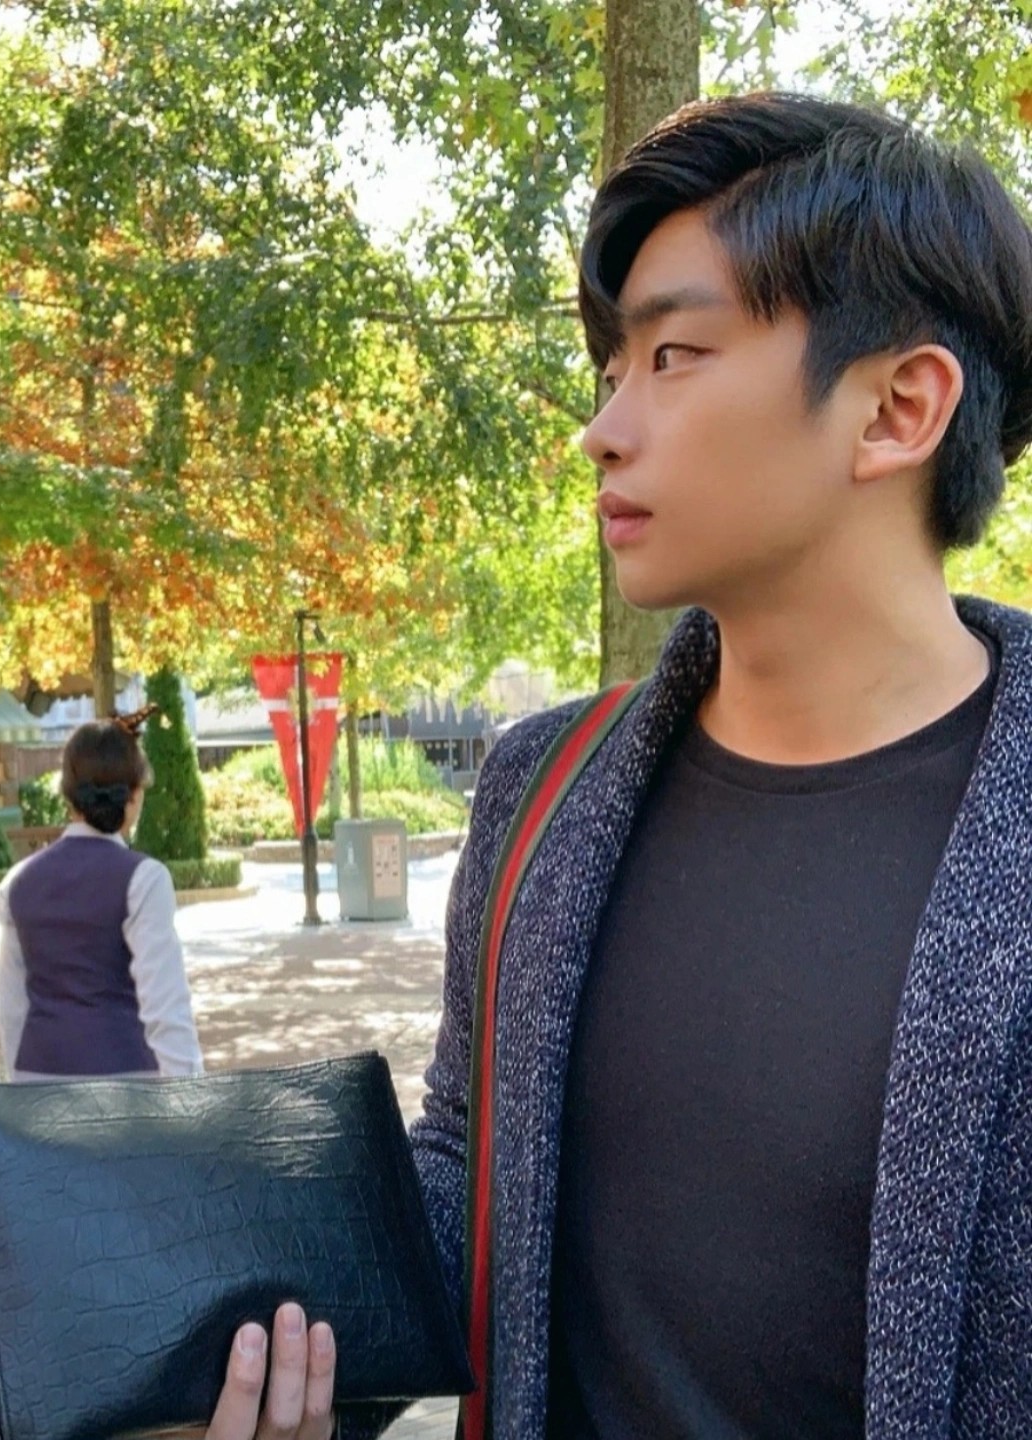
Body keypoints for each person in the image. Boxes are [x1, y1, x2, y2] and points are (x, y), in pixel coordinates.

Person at [198, 92, 1032, 1440]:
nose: (604, 428)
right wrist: (273, 1363)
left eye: (674, 355)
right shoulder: (543, 787)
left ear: (898, 407)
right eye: (609, 370)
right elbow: (470, 1166)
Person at [0, 716, 203, 1080]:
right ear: (134, 796)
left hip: (38, 1083)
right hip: (126, 1086)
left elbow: (12, 1007)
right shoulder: (144, 878)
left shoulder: (18, 882)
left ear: (67, 795)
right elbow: (165, 1005)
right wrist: (190, 1097)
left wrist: (19, 1091)